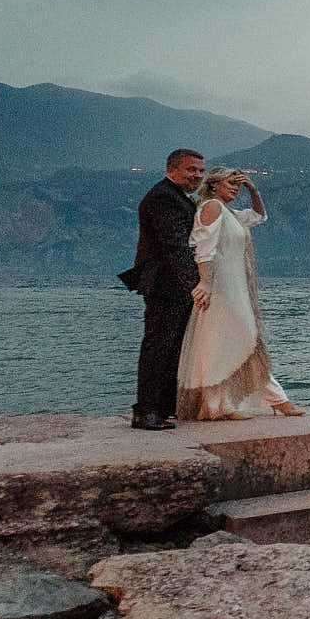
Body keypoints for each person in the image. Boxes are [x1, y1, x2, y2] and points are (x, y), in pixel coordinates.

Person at [176, 167, 304, 420]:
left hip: (235, 286)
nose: (235, 188)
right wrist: (205, 283)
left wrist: (253, 190)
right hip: (221, 287)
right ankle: (277, 400)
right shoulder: (211, 207)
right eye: (230, 183)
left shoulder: (231, 212)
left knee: (224, 344)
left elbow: (259, 215)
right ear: (214, 185)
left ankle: (220, 406)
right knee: (241, 341)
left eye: (238, 184)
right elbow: (205, 249)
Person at [120, 148, 205, 430]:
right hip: (165, 284)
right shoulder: (163, 198)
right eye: (191, 169)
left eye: (200, 171)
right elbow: (175, 246)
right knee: (159, 347)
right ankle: (146, 411)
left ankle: (165, 407)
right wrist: (196, 286)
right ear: (172, 170)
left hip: (174, 284)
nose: (197, 175)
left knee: (173, 348)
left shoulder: (177, 198)